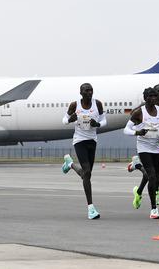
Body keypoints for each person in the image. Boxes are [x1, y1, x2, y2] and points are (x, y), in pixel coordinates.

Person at [60, 83, 106, 220]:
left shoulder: (97, 104)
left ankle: (70, 164)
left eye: (91, 90)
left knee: (87, 174)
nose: (89, 92)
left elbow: (104, 121)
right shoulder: (75, 105)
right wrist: (69, 119)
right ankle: (91, 208)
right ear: (81, 92)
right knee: (87, 172)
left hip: (92, 140)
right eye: (86, 90)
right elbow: (63, 121)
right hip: (79, 140)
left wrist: (97, 124)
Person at [124, 87, 159, 219]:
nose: (154, 98)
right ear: (145, 98)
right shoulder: (139, 112)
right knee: (152, 176)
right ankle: (154, 209)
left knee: (153, 175)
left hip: (155, 148)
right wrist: (137, 132)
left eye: (155, 96)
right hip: (143, 148)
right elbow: (126, 129)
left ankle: (136, 168)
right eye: (150, 96)